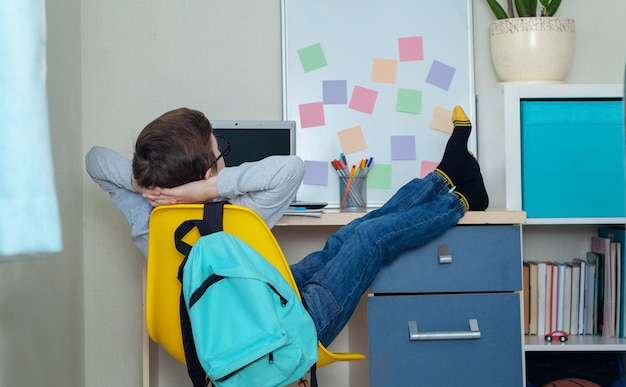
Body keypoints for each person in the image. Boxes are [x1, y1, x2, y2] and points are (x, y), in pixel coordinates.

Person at [86, 105, 488, 347]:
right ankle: (461, 200)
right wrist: (207, 189)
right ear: (208, 171)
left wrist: (150, 187)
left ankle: (447, 174)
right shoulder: (240, 215)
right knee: (368, 238)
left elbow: (95, 160)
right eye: (219, 148)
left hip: (251, 313)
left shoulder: (147, 221)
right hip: (288, 332)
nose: (224, 152)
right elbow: (290, 168)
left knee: (343, 240)